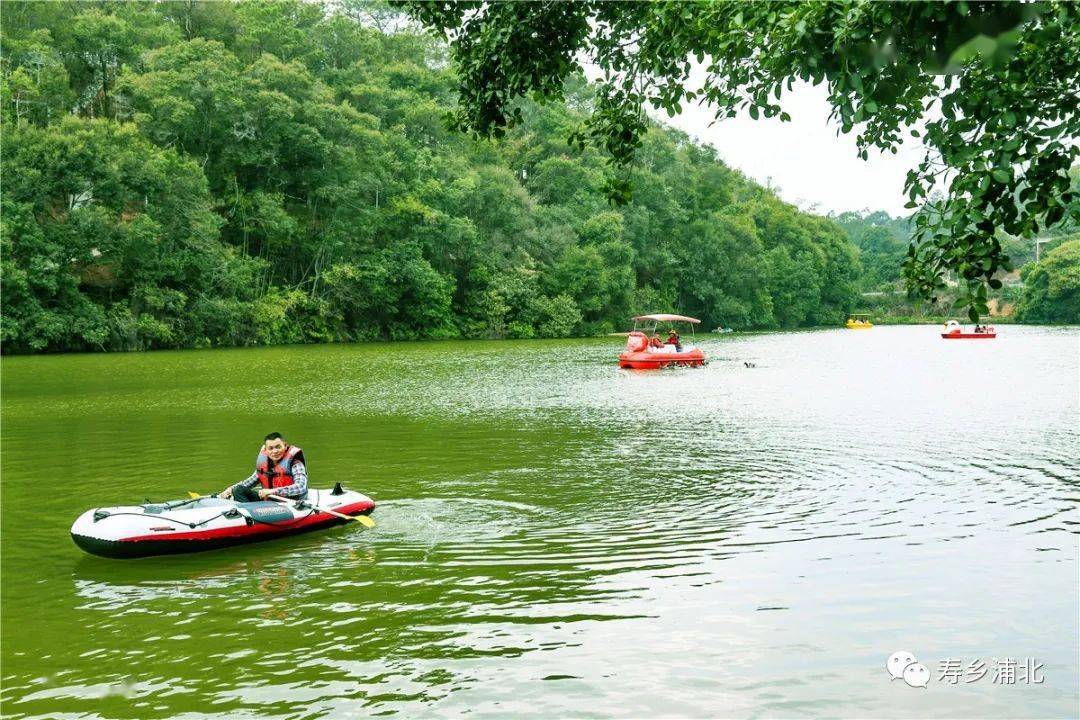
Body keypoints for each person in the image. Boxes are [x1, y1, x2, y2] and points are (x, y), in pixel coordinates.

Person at [219, 432, 308, 502]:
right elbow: (248, 482)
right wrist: (230, 489)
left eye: (278, 447)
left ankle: (252, 518)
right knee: (238, 490)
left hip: (290, 503)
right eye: (271, 448)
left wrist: (273, 491)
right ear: (266, 450)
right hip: (269, 501)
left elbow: (301, 487)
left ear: (285, 446)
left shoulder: (295, 463)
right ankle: (248, 516)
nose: (275, 451)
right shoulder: (264, 465)